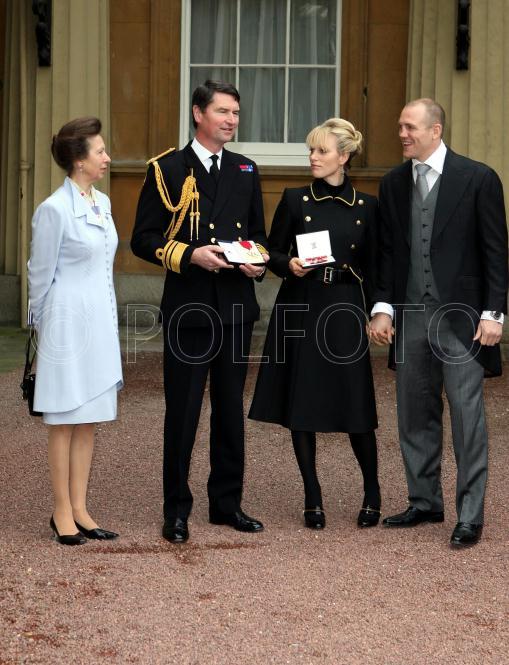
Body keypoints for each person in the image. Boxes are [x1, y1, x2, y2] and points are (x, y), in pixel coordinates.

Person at [131, 80, 268, 544]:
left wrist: (256, 262)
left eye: (236, 113)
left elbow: (257, 235)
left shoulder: (246, 168)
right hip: (189, 309)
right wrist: (191, 255)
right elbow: (143, 239)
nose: (231, 120)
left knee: (229, 410)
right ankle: (176, 510)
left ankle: (227, 504)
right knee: (183, 412)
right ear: (198, 113)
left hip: (235, 308)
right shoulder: (168, 168)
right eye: (223, 111)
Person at [370, 98, 508, 547]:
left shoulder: (478, 178)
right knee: (414, 413)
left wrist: (493, 313)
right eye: (400, 126)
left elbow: (495, 251)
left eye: (410, 127)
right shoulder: (393, 183)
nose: (402, 134)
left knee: (467, 418)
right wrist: (383, 306)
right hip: (411, 314)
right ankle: (425, 501)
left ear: (436, 130)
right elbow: (388, 252)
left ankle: (470, 515)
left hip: (462, 320)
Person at [249, 118, 381, 529]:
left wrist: (379, 311)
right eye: (311, 150)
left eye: (321, 151)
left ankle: (372, 491)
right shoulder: (295, 200)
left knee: (356, 402)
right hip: (301, 303)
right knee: (301, 402)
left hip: (344, 307)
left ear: (344, 156)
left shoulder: (368, 206)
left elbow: (376, 267)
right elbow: (270, 251)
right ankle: (313, 494)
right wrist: (286, 263)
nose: (312, 157)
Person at [28, 117, 123, 545]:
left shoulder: (102, 201)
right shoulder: (53, 209)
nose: (107, 158)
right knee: (64, 421)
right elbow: (39, 274)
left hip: (100, 321)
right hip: (65, 325)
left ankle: (81, 508)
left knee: (89, 420)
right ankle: (61, 510)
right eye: (100, 151)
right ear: (79, 160)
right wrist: (43, 329)